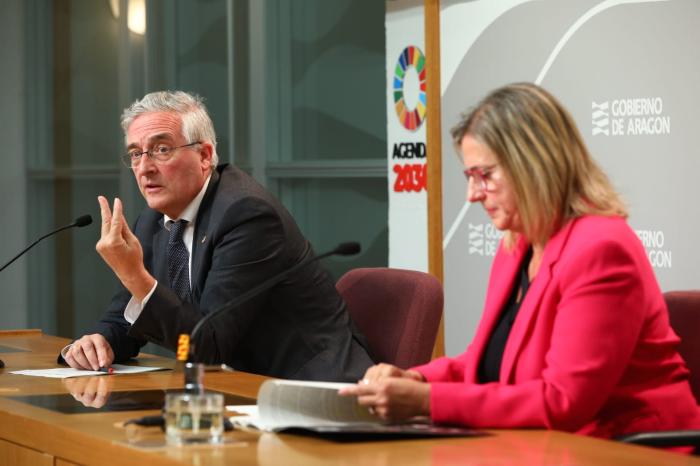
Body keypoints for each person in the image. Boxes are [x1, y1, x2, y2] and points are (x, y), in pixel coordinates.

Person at [340, 83, 700, 438]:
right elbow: (485, 362)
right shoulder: (516, 244)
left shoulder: (602, 249)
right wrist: (417, 378)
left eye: (485, 175)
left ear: (534, 165)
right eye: (470, 177)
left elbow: (563, 402)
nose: (472, 195)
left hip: (635, 450)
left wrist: (428, 400)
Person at [61, 90, 373, 381]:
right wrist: (101, 341)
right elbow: (130, 314)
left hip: (312, 389)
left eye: (161, 150)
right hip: (235, 389)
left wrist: (134, 274)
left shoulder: (247, 215)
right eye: (135, 154)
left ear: (205, 155)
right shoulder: (154, 221)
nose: (144, 168)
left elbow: (208, 344)